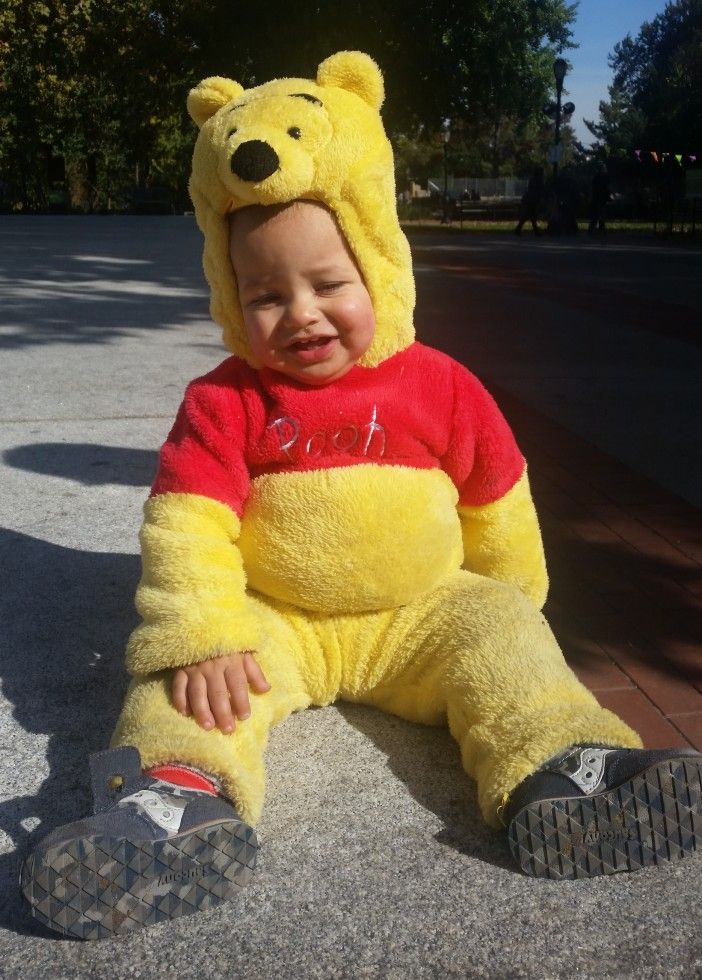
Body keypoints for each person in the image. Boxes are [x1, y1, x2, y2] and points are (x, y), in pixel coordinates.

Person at [22, 52, 701, 940]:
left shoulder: (441, 385)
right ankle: (173, 800)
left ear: (378, 265)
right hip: (280, 621)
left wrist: (513, 602)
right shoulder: (224, 400)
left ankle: (563, 767)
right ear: (229, 295)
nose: (299, 313)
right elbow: (187, 524)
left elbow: (497, 498)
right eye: (264, 294)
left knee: (502, 642)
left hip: (419, 614)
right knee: (180, 684)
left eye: (329, 285)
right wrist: (203, 631)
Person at [514, 166, 544, 235]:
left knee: (530, 215)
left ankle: (521, 229)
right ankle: (520, 229)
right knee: (529, 215)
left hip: (529, 199)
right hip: (532, 199)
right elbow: (541, 189)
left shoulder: (533, 179)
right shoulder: (538, 180)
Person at [588, 163, 611, 233]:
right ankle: (600, 228)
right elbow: (607, 187)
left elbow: (592, 188)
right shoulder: (604, 177)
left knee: (596, 214)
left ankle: (594, 228)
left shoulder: (596, 177)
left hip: (597, 197)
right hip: (601, 198)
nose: (605, 169)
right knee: (600, 213)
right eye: (604, 168)